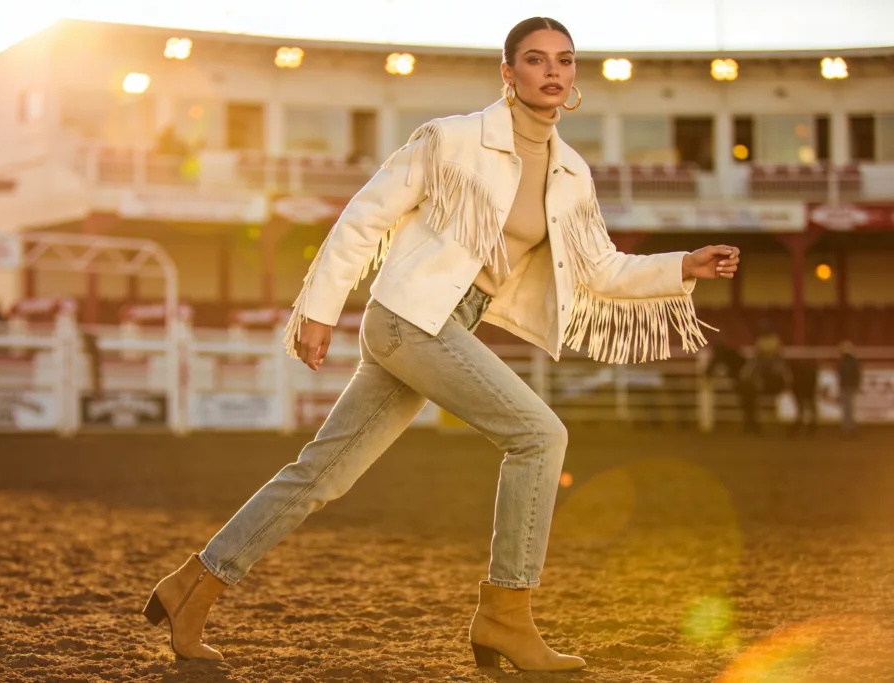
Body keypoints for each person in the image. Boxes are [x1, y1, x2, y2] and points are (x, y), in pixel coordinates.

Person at [143, 17, 741, 672]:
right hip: (409, 319)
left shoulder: (571, 172)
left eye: (565, 60)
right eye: (536, 59)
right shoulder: (451, 139)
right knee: (539, 435)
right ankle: (506, 615)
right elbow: (365, 215)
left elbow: (599, 268)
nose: (552, 70)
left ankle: (194, 584)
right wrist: (319, 307)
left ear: (574, 76)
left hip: (447, 323)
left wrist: (683, 265)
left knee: (321, 474)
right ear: (508, 73)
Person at [837, 339, 862, 433]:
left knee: (846, 406)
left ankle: (848, 425)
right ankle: (849, 425)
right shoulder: (854, 361)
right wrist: (856, 385)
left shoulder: (843, 361)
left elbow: (841, 373)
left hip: (845, 385)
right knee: (849, 406)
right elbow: (857, 374)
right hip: (851, 385)